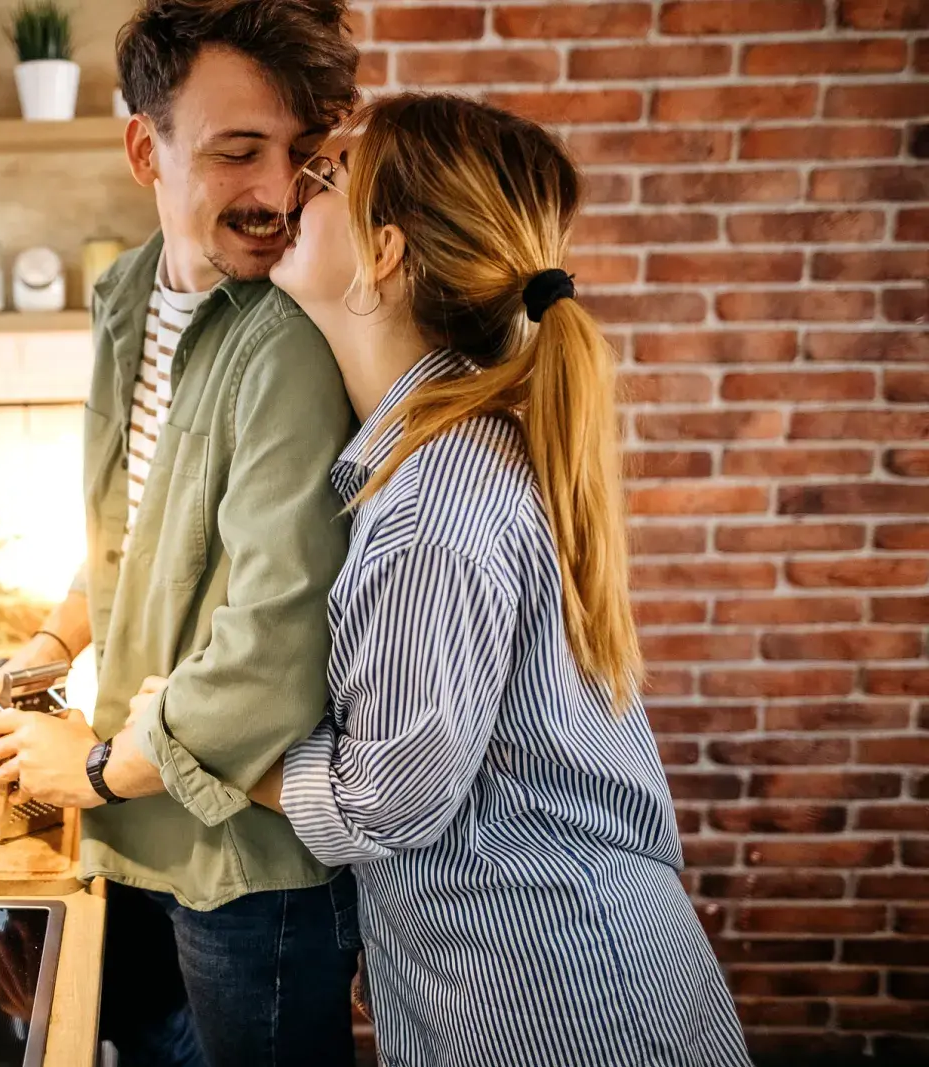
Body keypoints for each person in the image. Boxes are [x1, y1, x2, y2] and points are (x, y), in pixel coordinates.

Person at [247, 93, 752, 1066]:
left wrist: (196, 749)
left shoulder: (430, 512)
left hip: (563, 999)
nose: (293, 190)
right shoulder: (442, 455)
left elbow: (382, 798)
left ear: (384, 252)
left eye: (327, 176)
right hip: (553, 966)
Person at [0, 2, 362, 1064]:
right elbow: (130, 529)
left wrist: (87, 769)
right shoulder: (125, 294)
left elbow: (276, 649)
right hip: (136, 818)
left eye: (304, 154)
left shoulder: (289, 341)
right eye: (239, 152)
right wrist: (52, 644)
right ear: (146, 146)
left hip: (244, 859)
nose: (279, 192)